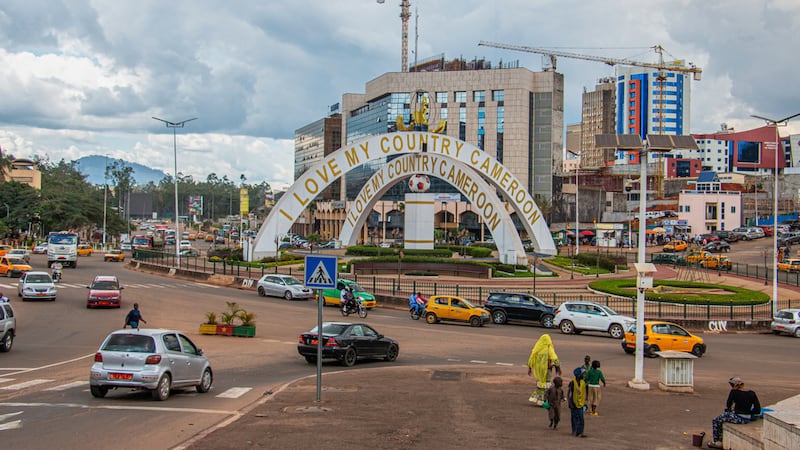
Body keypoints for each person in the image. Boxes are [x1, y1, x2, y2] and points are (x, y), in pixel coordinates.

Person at [707, 377, 761, 449]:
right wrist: (749, 413)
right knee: (724, 416)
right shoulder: (752, 393)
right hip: (747, 418)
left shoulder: (734, 392)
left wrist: (731, 410)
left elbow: (728, 405)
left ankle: (718, 442)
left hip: (738, 417)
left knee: (716, 420)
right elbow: (757, 410)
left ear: (733, 385)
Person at [527, 334, 561, 407]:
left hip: (538, 371)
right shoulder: (549, 348)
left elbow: (531, 359)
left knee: (540, 383)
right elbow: (554, 358)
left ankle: (540, 400)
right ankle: (546, 400)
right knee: (546, 384)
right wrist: (558, 369)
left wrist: (530, 369)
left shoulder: (537, 348)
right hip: (547, 370)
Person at [568, 367, 588, 438]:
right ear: (579, 375)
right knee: (574, 417)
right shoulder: (572, 383)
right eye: (583, 374)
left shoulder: (583, 382)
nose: (584, 375)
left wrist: (584, 401)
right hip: (573, 403)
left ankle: (580, 432)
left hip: (580, 403)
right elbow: (569, 393)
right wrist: (569, 402)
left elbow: (583, 392)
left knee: (581, 418)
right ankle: (575, 430)